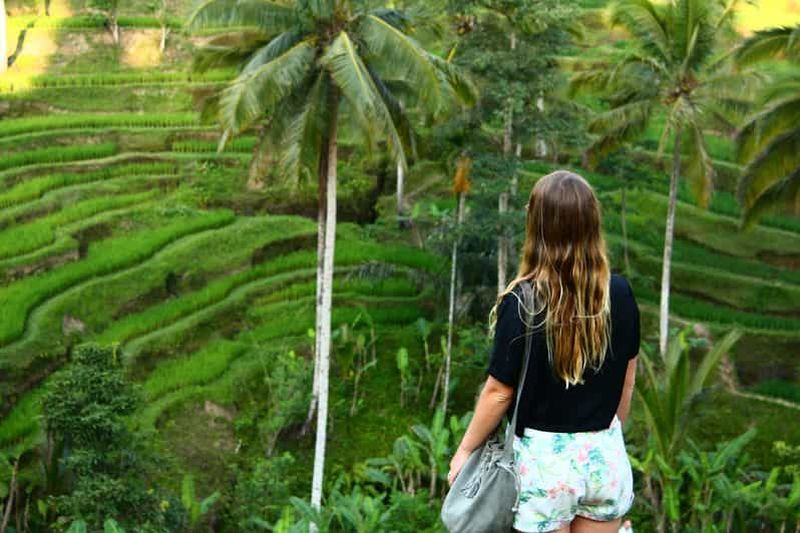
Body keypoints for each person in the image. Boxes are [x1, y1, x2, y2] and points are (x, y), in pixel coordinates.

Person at [447, 170, 640, 533]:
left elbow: (499, 392)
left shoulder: (524, 301)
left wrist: (464, 452)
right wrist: (604, 439)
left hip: (544, 466)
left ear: (537, 225)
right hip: (605, 456)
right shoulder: (620, 294)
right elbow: (627, 382)